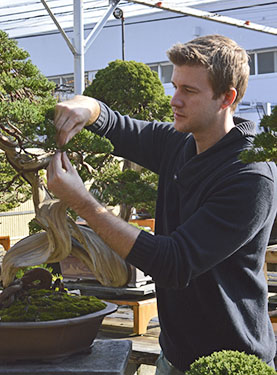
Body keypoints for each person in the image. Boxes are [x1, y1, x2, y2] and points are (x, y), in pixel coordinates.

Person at [47, 34, 277, 373]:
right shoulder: (180, 143)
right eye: (175, 86)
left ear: (226, 98)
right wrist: (86, 106)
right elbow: (119, 127)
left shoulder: (249, 176)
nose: (175, 100)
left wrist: (83, 203)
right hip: (172, 355)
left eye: (189, 91)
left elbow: (173, 262)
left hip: (230, 362)